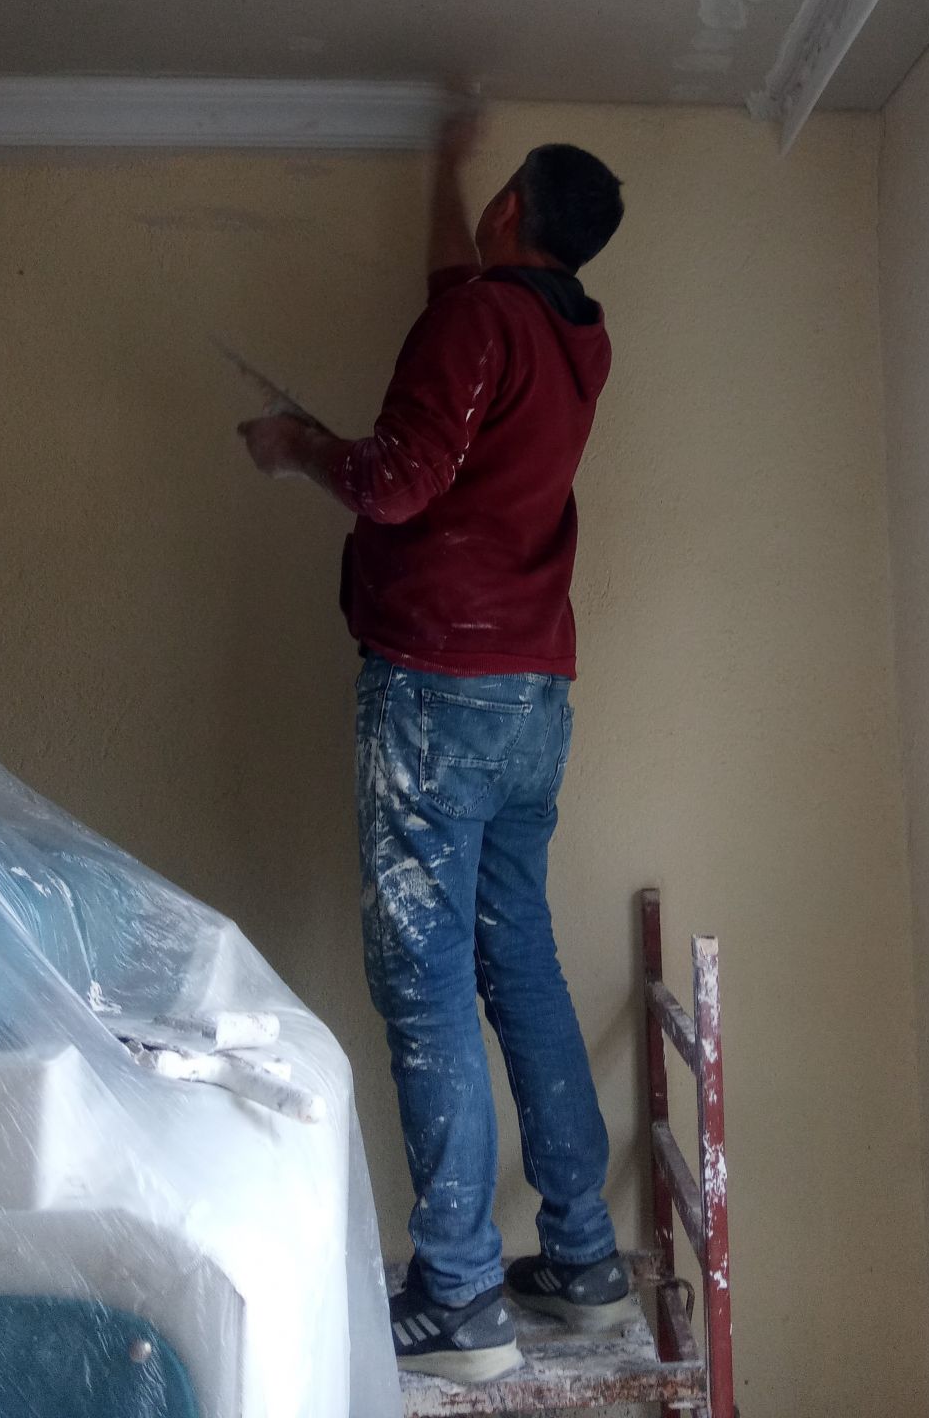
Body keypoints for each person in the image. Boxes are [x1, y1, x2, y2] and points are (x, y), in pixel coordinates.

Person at [239, 107, 629, 1384]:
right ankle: (584, 1262)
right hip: (532, 693)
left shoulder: (477, 325)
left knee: (426, 988)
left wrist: (298, 448)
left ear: (512, 212)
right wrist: (445, 163)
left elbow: (396, 484)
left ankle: (459, 1297)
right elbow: (461, 295)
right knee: (521, 964)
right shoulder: (570, 334)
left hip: (438, 694)